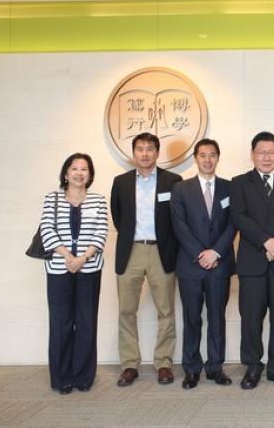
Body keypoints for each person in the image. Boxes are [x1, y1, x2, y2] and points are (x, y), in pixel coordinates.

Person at [230, 131, 274, 389]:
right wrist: (266, 242)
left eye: (271, 152)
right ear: (252, 154)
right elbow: (239, 218)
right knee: (251, 317)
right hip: (253, 262)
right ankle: (252, 366)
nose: (266, 157)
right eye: (261, 152)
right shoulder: (238, 183)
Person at [110, 132, 182, 387]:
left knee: (166, 310)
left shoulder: (173, 181)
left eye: (149, 148)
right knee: (126, 310)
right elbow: (118, 218)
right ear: (134, 153)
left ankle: (163, 363)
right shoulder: (121, 182)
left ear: (157, 152)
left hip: (162, 252)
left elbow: (177, 218)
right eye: (140, 148)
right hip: (131, 251)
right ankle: (130, 365)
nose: (144, 153)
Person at [170, 139, 236, 389]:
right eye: (203, 155)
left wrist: (216, 252)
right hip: (191, 265)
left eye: (212, 155)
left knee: (217, 317)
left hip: (220, 264)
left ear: (218, 158)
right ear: (195, 159)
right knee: (192, 318)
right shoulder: (181, 189)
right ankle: (192, 369)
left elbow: (233, 224)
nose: (207, 160)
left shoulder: (230, 188)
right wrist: (200, 253)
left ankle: (215, 367)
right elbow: (179, 226)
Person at [40, 153, 108, 394]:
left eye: (84, 169)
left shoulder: (99, 200)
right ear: (66, 173)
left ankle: (83, 376)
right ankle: (62, 377)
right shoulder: (52, 199)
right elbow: (46, 230)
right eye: (74, 169)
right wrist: (69, 257)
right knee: (61, 323)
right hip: (59, 269)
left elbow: (101, 233)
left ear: (90, 174)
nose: (80, 173)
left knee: (86, 322)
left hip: (89, 269)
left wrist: (82, 258)